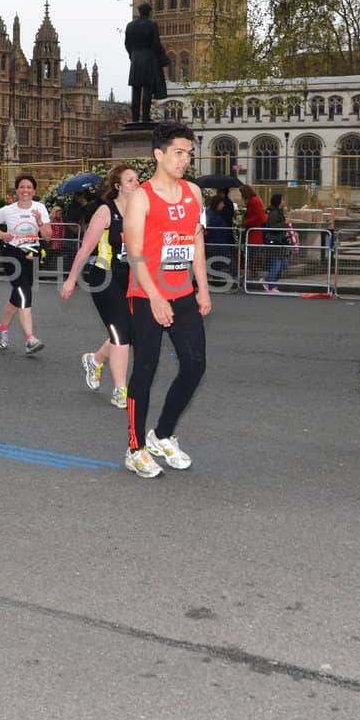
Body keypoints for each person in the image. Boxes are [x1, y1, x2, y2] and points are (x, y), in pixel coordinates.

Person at [122, 123, 210, 477]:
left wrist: (202, 286)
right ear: (159, 154)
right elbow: (136, 256)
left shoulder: (194, 193)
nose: (185, 159)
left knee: (195, 364)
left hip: (183, 293)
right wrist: (155, 296)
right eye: (179, 152)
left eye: (189, 153)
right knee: (145, 369)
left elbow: (196, 241)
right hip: (146, 296)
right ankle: (135, 447)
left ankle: (163, 434)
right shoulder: (141, 198)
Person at [61, 164, 137, 410]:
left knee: (129, 333)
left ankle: (95, 360)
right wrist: (72, 278)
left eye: (137, 180)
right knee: (121, 333)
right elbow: (85, 248)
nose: (136, 184)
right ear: (118, 186)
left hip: (131, 278)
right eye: (130, 180)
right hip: (104, 277)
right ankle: (120, 390)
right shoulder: (106, 212)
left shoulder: (139, 211)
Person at [0, 175, 51, 354]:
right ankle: (30, 339)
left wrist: (39, 221)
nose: (25, 190)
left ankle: (2, 328)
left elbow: (48, 235)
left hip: (31, 255)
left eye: (29, 187)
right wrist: (1, 234)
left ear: (34, 191)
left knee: (19, 294)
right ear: (16, 190)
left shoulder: (40, 208)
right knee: (23, 292)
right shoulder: (8, 210)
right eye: (22, 187)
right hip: (12, 255)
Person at [262, 193, 292, 293]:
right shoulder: (274, 213)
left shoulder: (278, 212)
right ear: (278, 201)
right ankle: (271, 286)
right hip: (275, 242)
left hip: (279, 241)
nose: (284, 202)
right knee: (276, 264)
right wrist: (285, 224)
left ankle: (268, 280)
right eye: (282, 200)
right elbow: (274, 227)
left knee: (283, 263)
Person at [239, 184, 267, 284]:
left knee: (253, 255)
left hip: (254, 232)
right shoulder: (254, 200)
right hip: (255, 231)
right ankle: (252, 273)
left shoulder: (253, 201)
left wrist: (246, 222)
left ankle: (252, 274)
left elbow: (258, 216)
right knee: (253, 255)